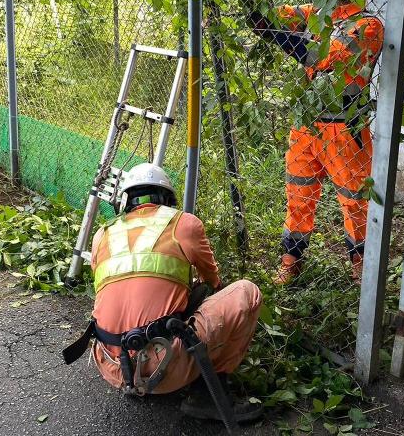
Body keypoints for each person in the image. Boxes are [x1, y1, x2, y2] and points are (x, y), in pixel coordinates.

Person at [230, 0, 386, 285]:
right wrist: (254, 2)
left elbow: (323, 58)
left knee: (355, 204)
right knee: (298, 195)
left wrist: (278, 36)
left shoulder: (368, 26)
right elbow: (273, 20)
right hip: (307, 127)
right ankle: (291, 262)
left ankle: (362, 271)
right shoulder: (320, 12)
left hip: (347, 129)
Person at [62, 162, 263, 425]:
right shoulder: (184, 224)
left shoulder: (103, 233)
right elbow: (212, 280)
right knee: (246, 292)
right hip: (166, 365)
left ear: (126, 200)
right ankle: (208, 396)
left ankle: (134, 375)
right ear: (168, 199)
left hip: (110, 364)